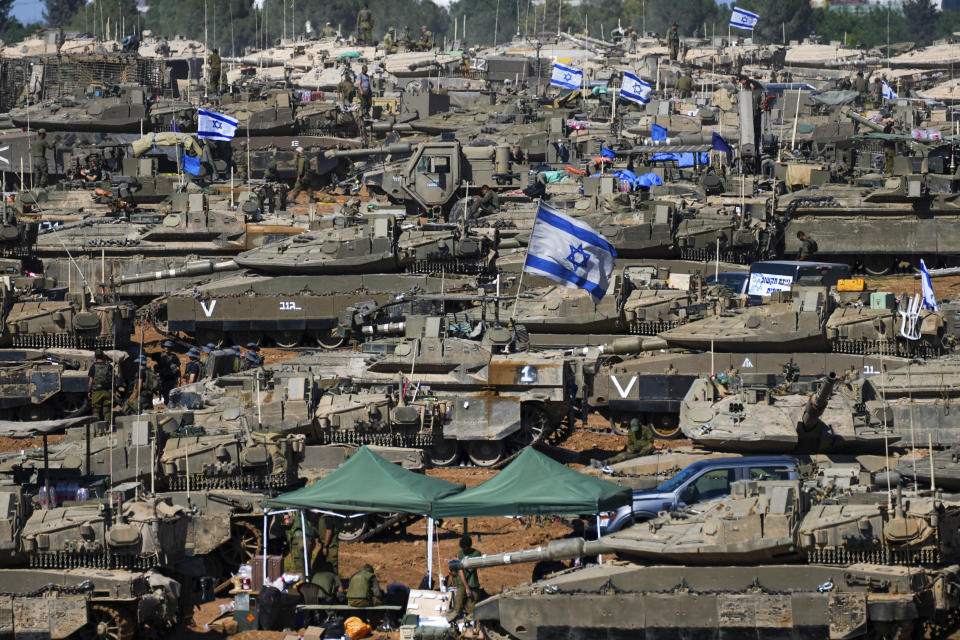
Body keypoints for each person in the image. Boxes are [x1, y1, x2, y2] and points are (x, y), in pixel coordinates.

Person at [447, 535, 482, 622]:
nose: (463, 549)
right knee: (457, 606)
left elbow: (471, 569)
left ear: (469, 546)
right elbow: (460, 572)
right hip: (462, 583)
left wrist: (460, 563)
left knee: (472, 609)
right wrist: (466, 588)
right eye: (462, 547)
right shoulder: (460, 554)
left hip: (473, 583)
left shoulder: (476, 553)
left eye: (465, 547)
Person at [87, 349, 114, 422]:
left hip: (96, 391)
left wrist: (89, 391)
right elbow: (113, 379)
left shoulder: (93, 367)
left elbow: (91, 381)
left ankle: (97, 427)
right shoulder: (109, 366)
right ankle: (108, 426)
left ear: (95, 357)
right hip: (107, 391)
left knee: (96, 411)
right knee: (107, 410)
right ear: (103, 356)